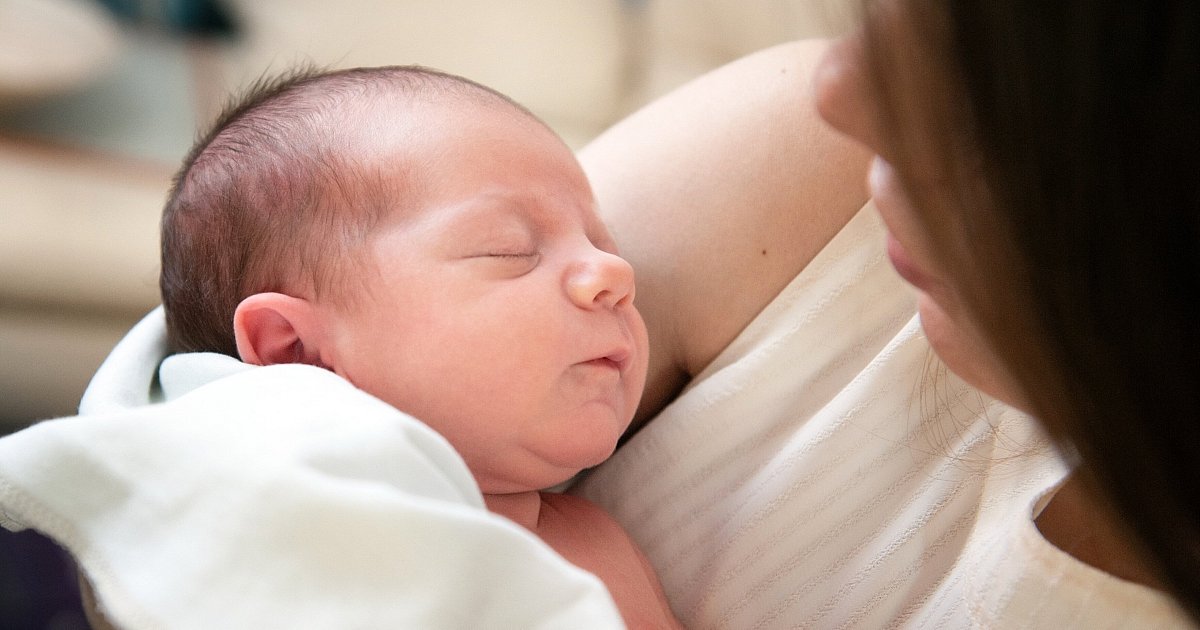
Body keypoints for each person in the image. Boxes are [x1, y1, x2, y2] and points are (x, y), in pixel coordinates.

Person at [157, 64, 679, 629]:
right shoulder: (297, 556)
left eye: (604, 243)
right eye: (509, 249)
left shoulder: (597, 542)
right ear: (297, 353)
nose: (614, 272)